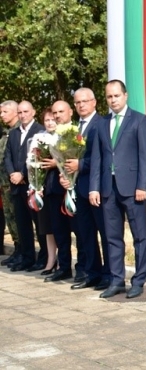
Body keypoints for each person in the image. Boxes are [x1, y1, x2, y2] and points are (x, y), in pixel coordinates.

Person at [89, 80, 146, 299]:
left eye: (116, 96)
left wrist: (142, 186)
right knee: (112, 237)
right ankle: (117, 280)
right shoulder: (101, 124)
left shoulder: (139, 120)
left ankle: (139, 280)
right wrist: (94, 188)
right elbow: (97, 158)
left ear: (125, 96)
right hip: (108, 189)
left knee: (140, 236)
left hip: (133, 188)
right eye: (109, 97)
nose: (113, 100)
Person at [63, 88, 111, 291]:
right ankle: (92, 273)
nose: (81, 105)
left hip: (97, 188)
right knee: (85, 233)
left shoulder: (101, 124)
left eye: (85, 101)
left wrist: (80, 165)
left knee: (105, 232)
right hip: (79, 188)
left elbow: (104, 157)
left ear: (94, 102)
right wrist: (67, 175)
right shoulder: (74, 129)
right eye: (77, 102)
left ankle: (109, 274)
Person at [3, 101, 45, 272]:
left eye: (26, 111)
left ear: (33, 112)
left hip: (32, 186)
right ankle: (27, 257)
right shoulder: (13, 133)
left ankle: (44, 258)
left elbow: (39, 157)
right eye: (20, 112)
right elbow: (7, 156)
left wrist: (22, 174)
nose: (22, 115)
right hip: (16, 186)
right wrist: (13, 173)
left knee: (39, 224)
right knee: (22, 224)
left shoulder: (40, 131)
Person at [40, 101, 75, 282]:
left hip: (71, 189)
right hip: (53, 189)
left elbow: (77, 156)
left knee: (77, 231)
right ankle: (63, 267)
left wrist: (57, 163)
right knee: (59, 231)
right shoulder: (48, 137)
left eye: (61, 112)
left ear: (70, 112)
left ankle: (84, 268)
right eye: (54, 113)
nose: (57, 116)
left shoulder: (74, 133)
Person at [34, 108, 59, 278]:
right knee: (48, 228)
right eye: (47, 120)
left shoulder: (63, 137)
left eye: (52, 119)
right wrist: (36, 185)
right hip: (44, 188)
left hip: (59, 186)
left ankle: (62, 261)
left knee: (60, 227)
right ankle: (51, 260)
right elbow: (33, 163)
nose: (50, 123)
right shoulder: (39, 138)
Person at [0, 100, 20, 266]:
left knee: (18, 218)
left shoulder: (18, 131)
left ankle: (23, 250)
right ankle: (17, 248)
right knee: (10, 217)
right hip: (4, 184)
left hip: (15, 183)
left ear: (15, 111)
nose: (2, 115)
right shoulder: (7, 133)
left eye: (5, 112)